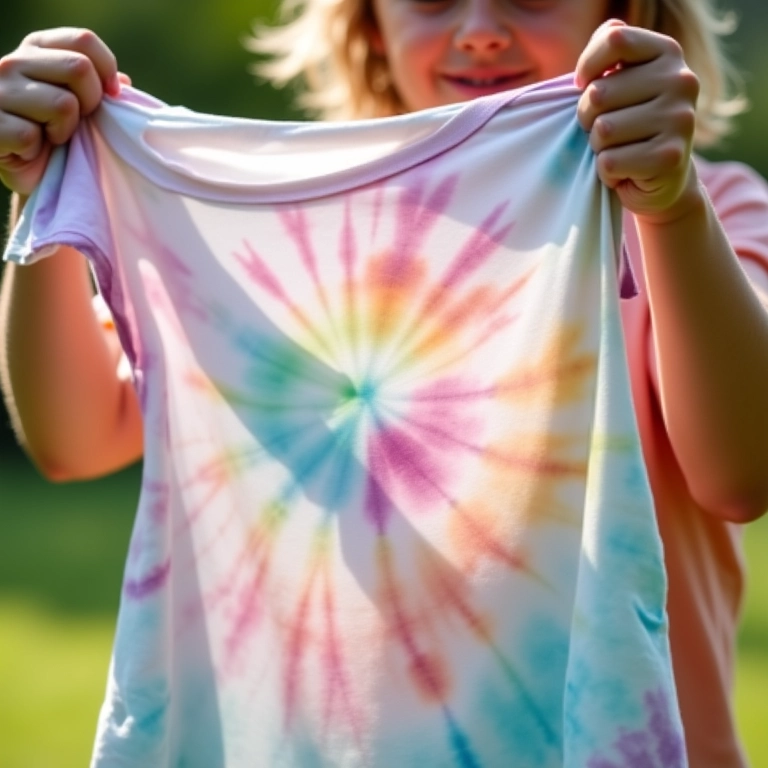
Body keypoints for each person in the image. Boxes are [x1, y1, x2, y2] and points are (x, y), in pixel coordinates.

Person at [1, 0, 767, 764]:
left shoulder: (708, 213)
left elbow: (741, 472)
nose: (479, 29)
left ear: (623, 12)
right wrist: (45, 192)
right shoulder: (295, 229)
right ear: (369, 26)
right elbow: (77, 437)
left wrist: (671, 213)